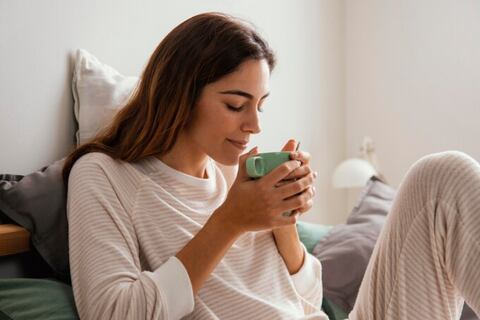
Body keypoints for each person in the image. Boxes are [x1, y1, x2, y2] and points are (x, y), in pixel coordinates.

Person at [63, 12, 480, 320]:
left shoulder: (238, 173)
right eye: (235, 105)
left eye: (260, 106)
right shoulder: (104, 176)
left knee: (443, 175)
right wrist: (229, 222)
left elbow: (309, 301)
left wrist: (283, 224)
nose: (255, 125)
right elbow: (112, 313)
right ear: (180, 96)